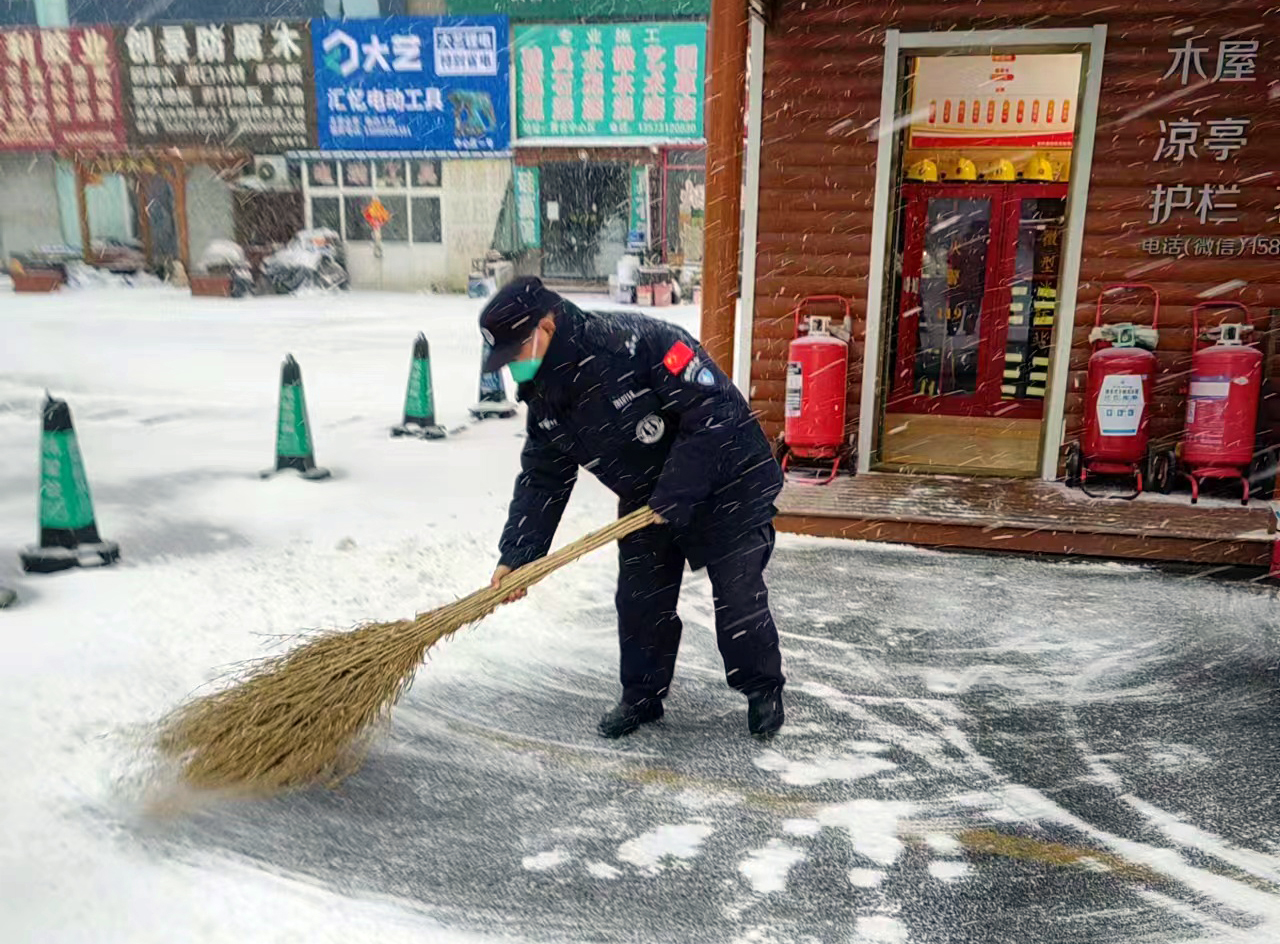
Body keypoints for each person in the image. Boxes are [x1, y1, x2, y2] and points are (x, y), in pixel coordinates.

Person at [482, 276, 786, 739]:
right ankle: (641, 696)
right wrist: (517, 556)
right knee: (640, 598)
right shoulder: (545, 397)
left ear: (545, 326)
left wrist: (675, 492)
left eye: (515, 354)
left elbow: (713, 412)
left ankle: (762, 688)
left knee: (738, 592)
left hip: (730, 480)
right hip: (649, 495)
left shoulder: (637, 343)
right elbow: (543, 477)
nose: (514, 369)